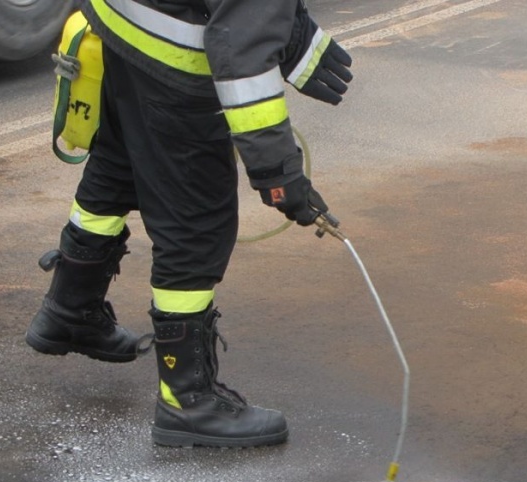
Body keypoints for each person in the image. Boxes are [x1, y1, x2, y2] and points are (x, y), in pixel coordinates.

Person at [25, 0, 353, 447]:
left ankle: (68, 309)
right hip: (174, 64)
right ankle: (186, 399)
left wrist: (287, 26)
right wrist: (278, 172)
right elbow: (241, 57)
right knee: (196, 223)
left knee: (119, 168)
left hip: (119, 21)